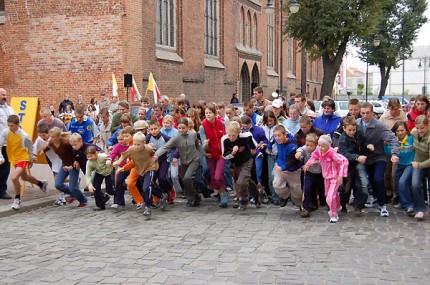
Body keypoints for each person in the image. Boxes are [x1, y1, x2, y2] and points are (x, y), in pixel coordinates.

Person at [357, 102, 400, 217]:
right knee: (370, 180)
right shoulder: (357, 124)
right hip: (364, 158)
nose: (365, 116)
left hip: (378, 157)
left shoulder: (379, 125)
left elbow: (392, 139)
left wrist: (395, 154)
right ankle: (375, 198)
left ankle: (382, 204)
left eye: (368, 113)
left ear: (372, 113)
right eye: (363, 113)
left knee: (378, 179)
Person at [114, 132, 167, 219]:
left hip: (150, 168)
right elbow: (123, 156)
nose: (137, 146)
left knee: (146, 187)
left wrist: (154, 159)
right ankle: (162, 195)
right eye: (135, 144)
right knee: (147, 188)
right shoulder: (131, 149)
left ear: (144, 143)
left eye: (139, 144)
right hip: (140, 170)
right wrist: (118, 163)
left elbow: (154, 154)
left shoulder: (148, 149)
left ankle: (148, 207)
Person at [0, 115, 48, 210]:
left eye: (12, 126)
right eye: (9, 125)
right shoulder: (6, 132)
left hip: (23, 158)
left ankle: (17, 199)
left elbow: (30, 147)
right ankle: (42, 184)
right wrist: (1, 156)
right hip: (13, 158)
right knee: (25, 177)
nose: (10, 127)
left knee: (14, 178)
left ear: (18, 124)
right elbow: (0, 144)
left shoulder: (24, 135)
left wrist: (30, 159)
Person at [153, 118, 204, 207]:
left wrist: (204, 153)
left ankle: (192, 197)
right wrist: (156, 155)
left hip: (194, 160)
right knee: (185, 181)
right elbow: (166, 147)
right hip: (184, 162)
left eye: (183, 128)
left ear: (187, 127)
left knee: (187, 178)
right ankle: (193, 196)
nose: (181, 130)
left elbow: (197, 145)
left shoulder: (193, 134)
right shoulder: (176, 138)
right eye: (179, 128)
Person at [303, 135, 348, 223]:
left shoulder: (332, 154)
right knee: (328, 195)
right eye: (319, 145)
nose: (320, 148)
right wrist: (308, 164)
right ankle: (337, 205)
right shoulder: (319, 152)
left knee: (330, 197)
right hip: (326, 178)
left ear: (328, 146)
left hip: (334, 177)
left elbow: (343, 161)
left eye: (323, 146)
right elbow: (313, 157)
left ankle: (333, 214)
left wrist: (341, 175)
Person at [221, 121, 261, 210]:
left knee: (241, 182)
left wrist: (253, 149)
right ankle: (257, 195)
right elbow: (224, 155)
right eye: (229, 135)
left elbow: (253, 143)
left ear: (239, 133)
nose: (231, 138)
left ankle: (243, 201)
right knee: (247, 181)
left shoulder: (245, 136)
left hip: (247, 161)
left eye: (234, 135)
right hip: (236, 163)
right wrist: (233, 152)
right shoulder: (225, 139)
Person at [338, 116, 372, 213]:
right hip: (347, 165)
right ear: (344, 128)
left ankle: (358, 205)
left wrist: (367, 145)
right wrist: (357, 157)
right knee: (346, 187)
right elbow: (344, 153)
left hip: (358, 163)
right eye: (349, 130)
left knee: (362, 184)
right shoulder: (342, 139)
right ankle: (343, 205)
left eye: (354, 130)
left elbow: (364, 141)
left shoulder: (359, 133)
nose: (352, 132)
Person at [47, 127, 88, 207]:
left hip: (73, 165)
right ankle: (74, 194)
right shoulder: (51, 143)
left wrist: (76, 161)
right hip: (64, 164)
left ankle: (83, 199)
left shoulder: (66, 143)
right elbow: (45, 148)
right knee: (58, 184)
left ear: (58, 137)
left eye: (53, 137)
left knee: (72, 187)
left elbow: (76, 149)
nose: (51, 138)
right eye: (50, 136)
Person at [200, 103, 228, 207]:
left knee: (218, 176)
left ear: (214, 113)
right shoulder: (203, 126)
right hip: (211, 155)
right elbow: (203, 144)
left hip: (221, 153)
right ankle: (219, 191)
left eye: (210, 113)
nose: (208, 115)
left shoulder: (222, 123)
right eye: (206, 113)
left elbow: (226, 138)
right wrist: (205, 145)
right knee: (213, 175)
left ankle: (223, 192)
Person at [147, 120, 178, 205]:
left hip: (164, 160)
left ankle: (170, 189)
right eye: (151, 129)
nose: (153, 131)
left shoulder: (164, 137)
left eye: (155, 129)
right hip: (152, 161)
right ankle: (159, 196)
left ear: (160, 128)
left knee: (162, 178)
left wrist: (175, 156)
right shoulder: (148, 138)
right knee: (152, 180)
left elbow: (174, 146)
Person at [271, 125, 302, 208]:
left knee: (297, 193)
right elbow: (271, 140)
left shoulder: (292, 146)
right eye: (275, 136)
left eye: (279, 135)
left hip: (293, 170)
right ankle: (285, 196)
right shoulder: (276, 139)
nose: (277, 138)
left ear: (285, 135)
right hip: (280, 166)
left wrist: (282, 167)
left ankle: (301, 206)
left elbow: (292, 161)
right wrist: (269, 146)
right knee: (276, 185)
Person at [387, 121, 414, 214]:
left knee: (403, 182)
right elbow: (388, 152)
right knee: (397, 184)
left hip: (410, 164)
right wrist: (385, 145)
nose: (400, 133)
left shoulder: (411, 139)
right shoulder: (394, 141)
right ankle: (402, 202)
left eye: (402, 130)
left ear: (406, 130)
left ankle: (409, 204)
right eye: (398, 131)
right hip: (399, 164)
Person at [295, 133, 323, 218]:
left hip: (320, 173)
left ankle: (325, 204)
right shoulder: (305, 148)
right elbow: (300, 149)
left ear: (316, 145)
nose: (308, 147)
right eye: (307, 145)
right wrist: (298, 153)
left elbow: (323, 159)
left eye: (311, 146)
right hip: (310, 173)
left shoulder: (319, 150)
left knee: (323, 190)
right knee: (307, 189)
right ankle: (306, 207)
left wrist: (315, 162)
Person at [106, 127, 134, 208]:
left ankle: (138, 199)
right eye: (118, 139)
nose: (120, 141)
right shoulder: (118, 146)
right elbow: (113, 154)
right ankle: (118, 201)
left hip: (133, 166)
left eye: (122, 139)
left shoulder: (132, 145)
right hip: (123, 167)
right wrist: (110, 160)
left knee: (136, 182)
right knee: (119, 181)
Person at [410, 115, 430, 221]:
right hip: (418, 160)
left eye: (422, 128)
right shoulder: (414, 132)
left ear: (428, 126)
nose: (419, 130)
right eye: (417, 128)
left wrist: (420, 165)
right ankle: (421, 209)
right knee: (415, 184)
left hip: (425, 162)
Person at [85, 146, 114, 211]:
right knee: (96, 188)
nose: (90, 158)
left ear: (96, 154)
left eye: (91, 156)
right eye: (88, 157)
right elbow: (88, 175)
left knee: (110, 190)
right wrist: (90, 186)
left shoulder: (102, 156)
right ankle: (100, 205)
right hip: (99, 173)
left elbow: (111, 157)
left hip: (109, 172)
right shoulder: (89, 162)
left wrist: (109, 160)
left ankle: (118, 197)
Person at [0, 88, 15, 199]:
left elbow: (16, 122)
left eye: (5, 95)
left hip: (8, 143)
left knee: (5, 167)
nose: (5, 97)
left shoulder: (10, 109)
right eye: (2, 95)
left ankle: (2, 190)